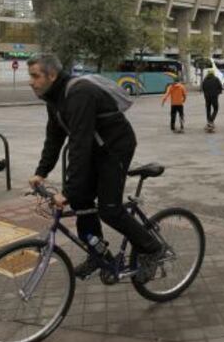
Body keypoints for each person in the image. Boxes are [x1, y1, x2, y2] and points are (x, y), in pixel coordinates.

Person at [27, 54, 164, 283]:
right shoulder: (55, 99)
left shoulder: (79, 93)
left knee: (109, 209)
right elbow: (54, 137)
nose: (30, 81)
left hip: (115, 149)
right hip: (95, 148)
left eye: (35, 76)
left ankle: (152, 249)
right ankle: (98, 254)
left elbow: (80, 144)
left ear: (52, 75)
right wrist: (41, 172)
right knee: (81, 202)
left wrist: (68, 191)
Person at [201, 69, 223, 133]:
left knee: (208, 109)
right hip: (214, 97)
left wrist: (206, 94)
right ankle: (211, 121)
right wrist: (217, 93)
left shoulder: (205, 80)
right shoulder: (216, 79)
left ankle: (209, 122)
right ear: (213, 73)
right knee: (216, 109)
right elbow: (220, 87)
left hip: (207, 97)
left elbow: (203, 88)